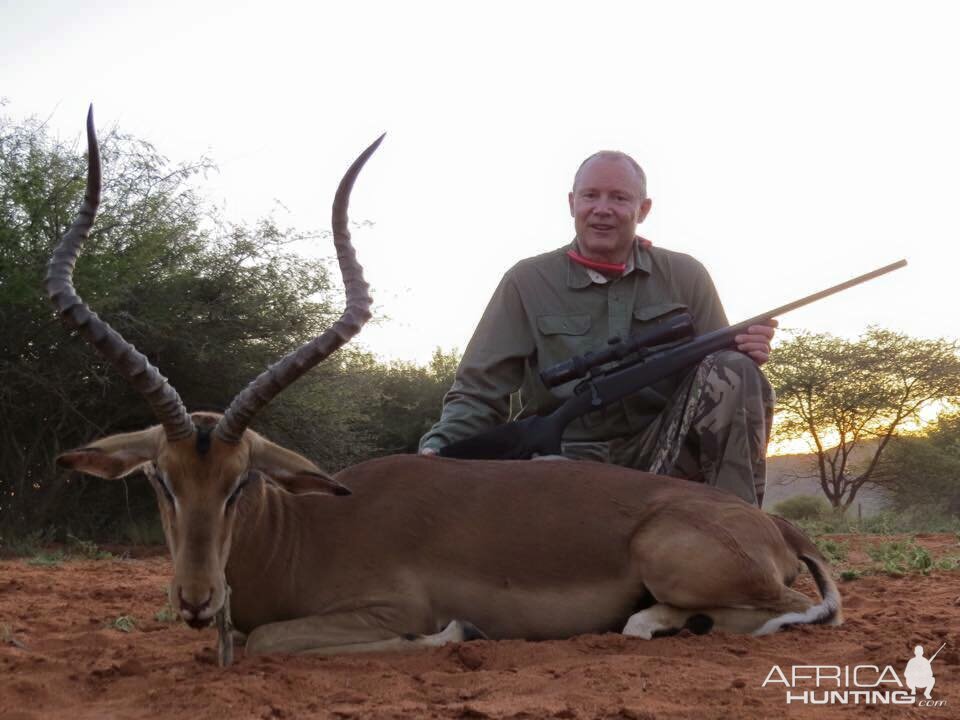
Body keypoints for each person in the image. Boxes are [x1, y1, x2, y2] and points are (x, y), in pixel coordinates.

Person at [418, 150, 776, 506]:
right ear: (573, 203)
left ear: (643, 209)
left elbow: (714, 373)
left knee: (735, 370)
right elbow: (478, 391)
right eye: (591, 195)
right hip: (561, 455)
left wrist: (742, 351)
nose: (602, 208)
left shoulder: (687, 274)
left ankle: (739, 529)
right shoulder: (526, 281)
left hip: (660, 449)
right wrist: (439, 448)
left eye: (619, 198)